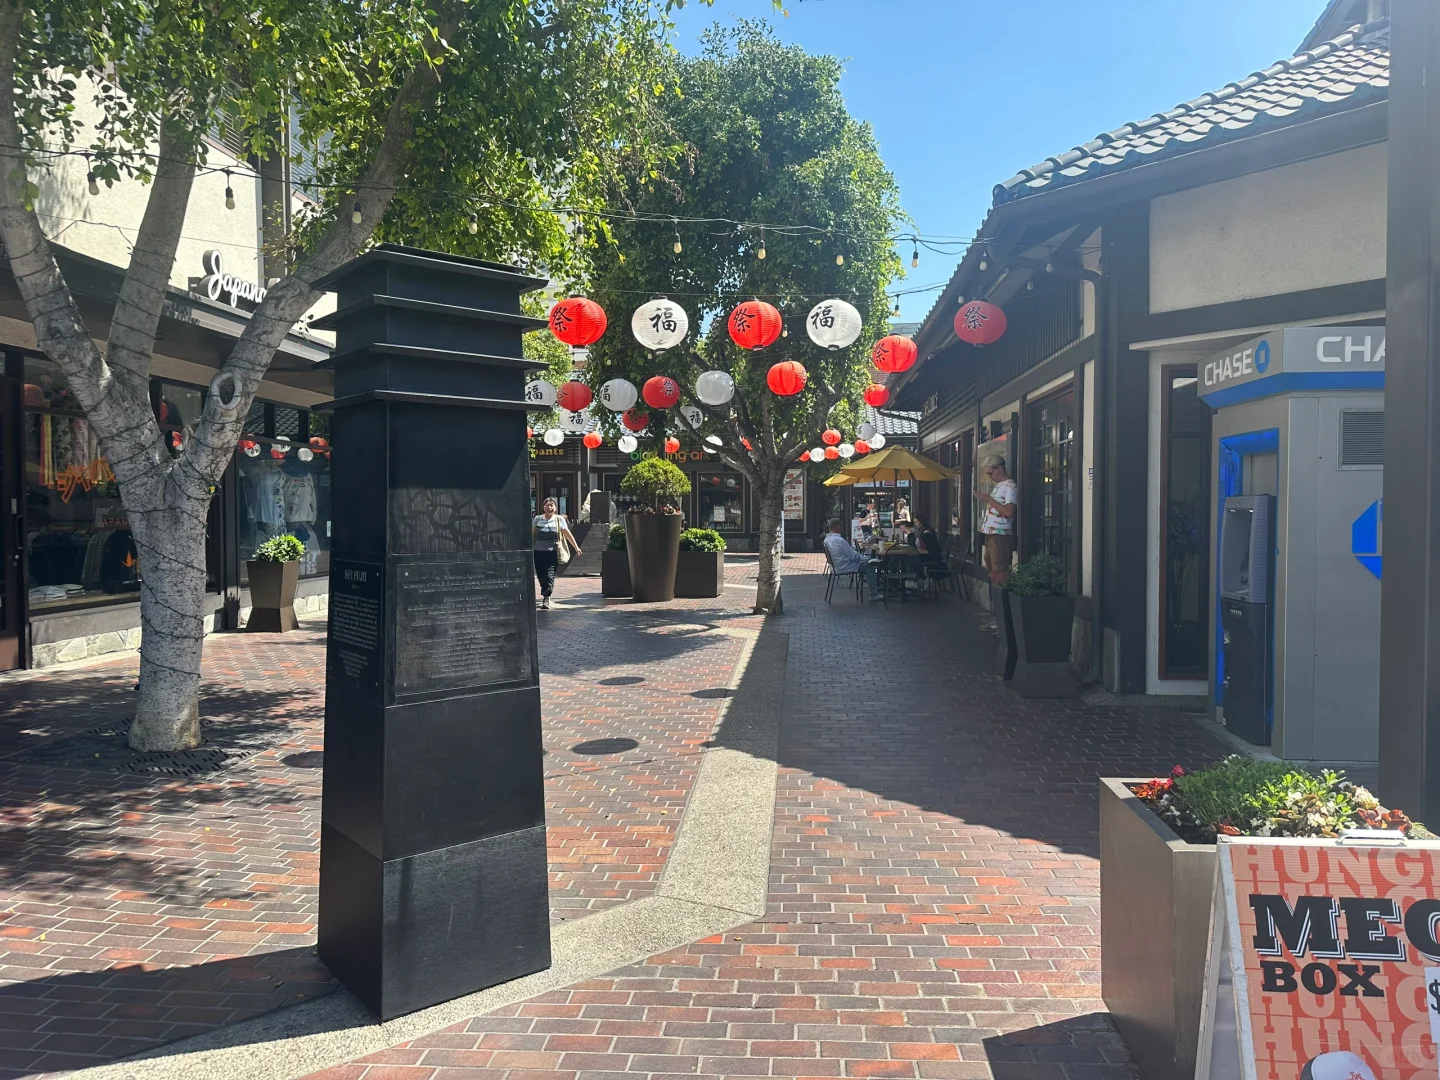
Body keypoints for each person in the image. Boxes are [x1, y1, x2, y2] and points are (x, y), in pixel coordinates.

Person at [533, 497, 581, 608]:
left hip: (552, 552)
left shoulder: (559, 519)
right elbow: (532, 534)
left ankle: (546, 597)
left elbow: (567, 533)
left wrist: (576, 547)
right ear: (543, 507)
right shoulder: (537, 519)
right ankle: (545, 590)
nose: (549, 507)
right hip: (538, 551)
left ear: (555, 508)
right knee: (540, 574)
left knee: (549, 574)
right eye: (547, 505)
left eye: (551, 505)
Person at [978, 455, 1018, 585]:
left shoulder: (1010, 486)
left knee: (1000, 572)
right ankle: (996, 600)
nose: (990, 476)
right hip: (991, 534)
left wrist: (989, 500)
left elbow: (1009, 511)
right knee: (991, 570)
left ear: (1000, 468)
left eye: (991, 472)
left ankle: (1001, 600)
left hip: (1001, 535)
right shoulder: (1000, 486)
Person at [823, 518, 881, 600]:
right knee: (870, 565)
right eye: (840, 526)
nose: (842, 528)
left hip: (836, 566)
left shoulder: (827, 540)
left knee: (868, 562)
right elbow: (853, 556)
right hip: (846, 565)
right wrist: (865, 559)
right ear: (837, 527)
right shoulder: (839, 540)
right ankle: (874, 593)